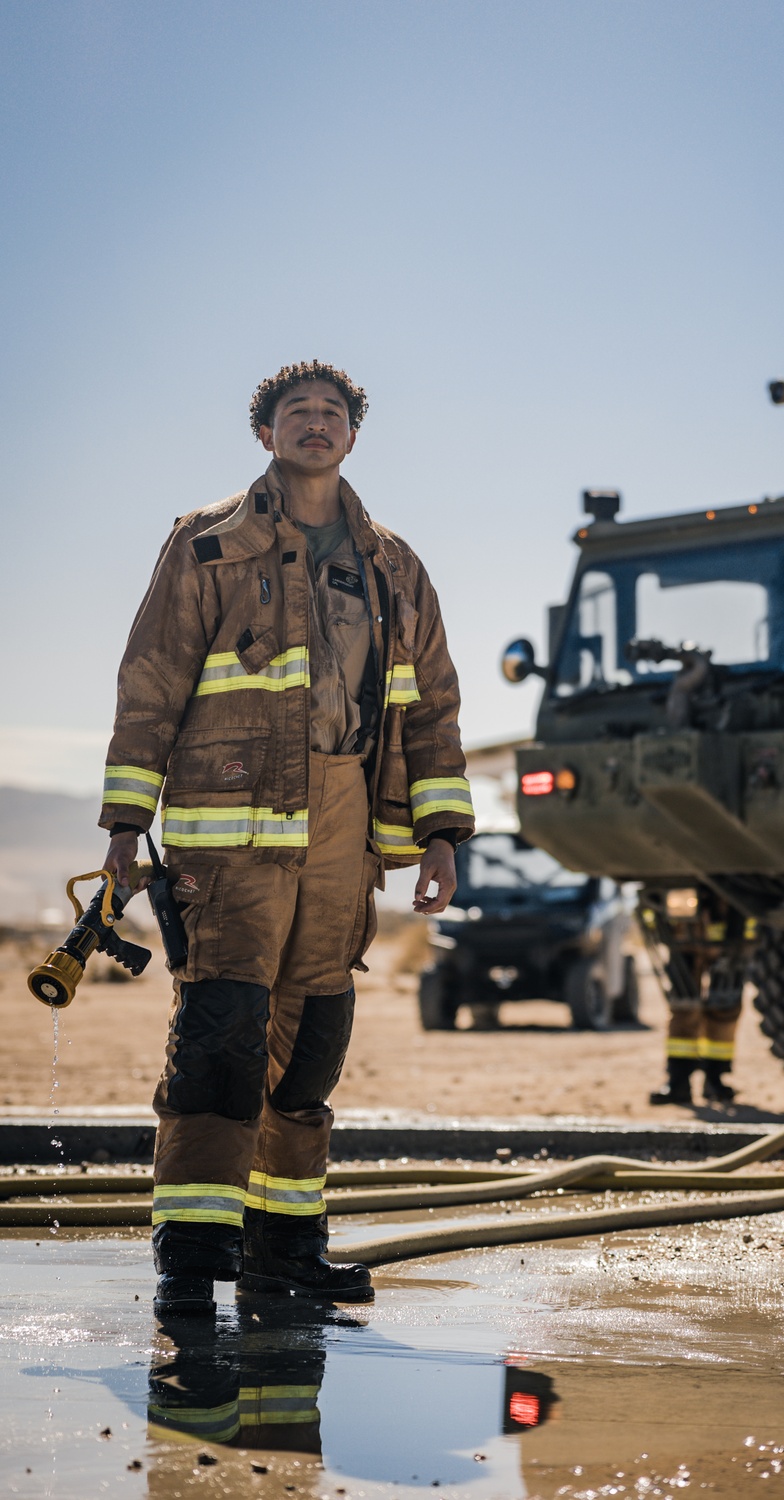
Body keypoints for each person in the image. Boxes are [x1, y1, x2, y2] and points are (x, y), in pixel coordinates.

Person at [100, 361, 475, 1317]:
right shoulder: (208, 544)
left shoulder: (393, 565)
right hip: (229, 834)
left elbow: (430, 708)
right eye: (296, 412)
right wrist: (124, 830)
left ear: (354, 435)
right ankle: (190, 1260)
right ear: (264, 433)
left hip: (346, 827)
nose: (317, 424)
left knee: (312, 1043)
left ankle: (283, 1253)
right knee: (221, 1041)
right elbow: (150, 684)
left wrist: (439, 832)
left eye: (334, 413)